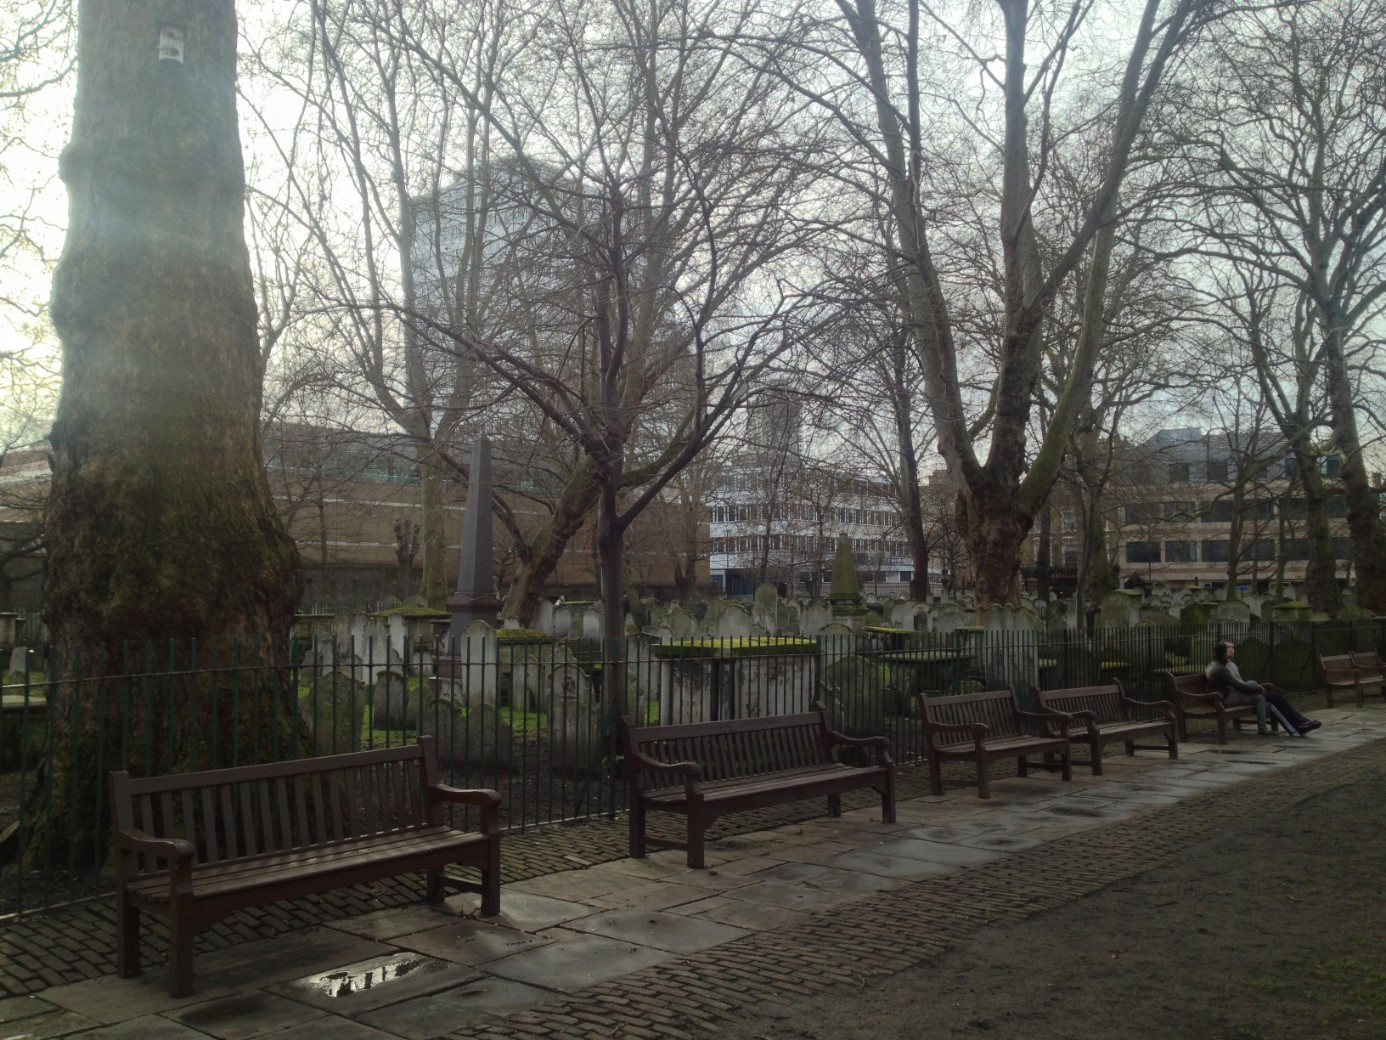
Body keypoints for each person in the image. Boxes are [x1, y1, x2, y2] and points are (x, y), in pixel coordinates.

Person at [1205, 640, 1321, 735]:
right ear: (1223, 652)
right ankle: (1299, 724)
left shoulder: (1221, 665)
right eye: (1228, 648)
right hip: (1224, 698)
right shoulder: (1221, 669)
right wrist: (1258, 689)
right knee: (1266, 694)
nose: (1231, 649)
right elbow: (1237, 685)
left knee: (1269, 696)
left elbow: (1238, 684)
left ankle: (1301, 723)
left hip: (1232, 695)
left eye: (1232, 647)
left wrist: (1254, 691)